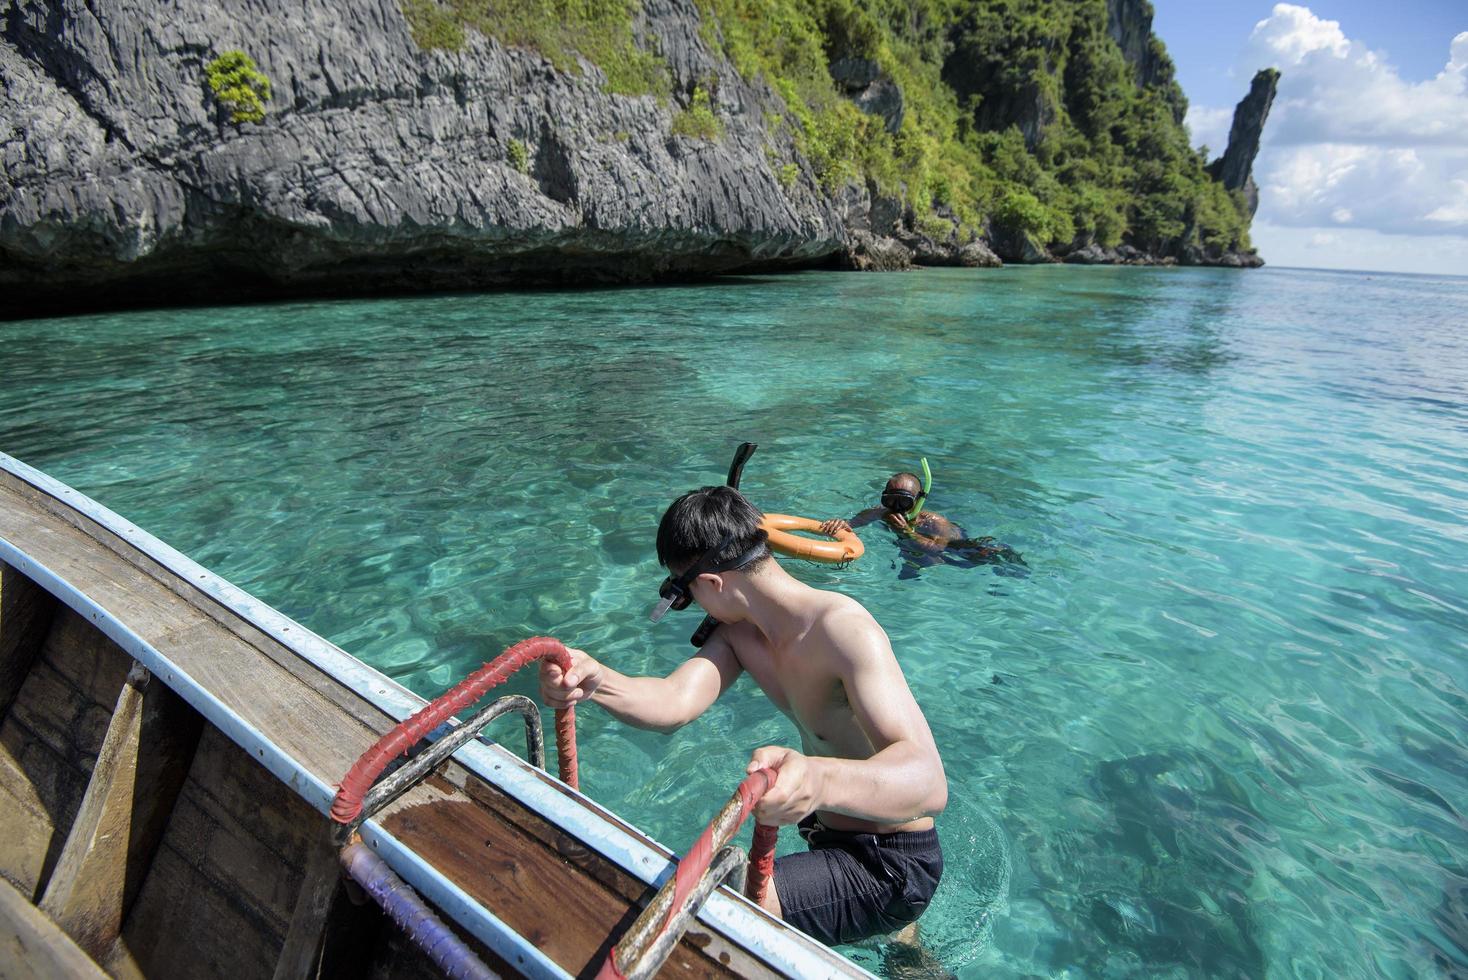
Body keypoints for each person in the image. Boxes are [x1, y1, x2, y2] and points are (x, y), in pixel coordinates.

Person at [539, 485, 947, 947]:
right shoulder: (741, 637)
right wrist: (598, 681)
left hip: (890, 863)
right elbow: (674, 702)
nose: (692, 610)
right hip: (828, 831)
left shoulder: (842, 630)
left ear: (713, 583)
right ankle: (905, 945)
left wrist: (818, 780)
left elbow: (929, 784)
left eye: (686, 596)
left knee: (718, 902)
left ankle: (899, 926)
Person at [821, 471, 1026, 580]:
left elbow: (939, 547)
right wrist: (839, 524)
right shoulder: (882, 513)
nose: (896, 509)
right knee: (913, 562)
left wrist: (908, 532)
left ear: (919, 500)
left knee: (977, 557)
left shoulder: (934, 522)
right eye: (890, 501)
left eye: (904, 503)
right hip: (917, 546)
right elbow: (852, 524)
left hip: (960, 549)